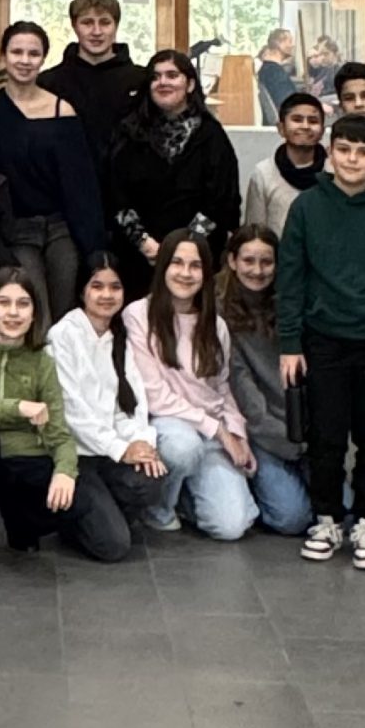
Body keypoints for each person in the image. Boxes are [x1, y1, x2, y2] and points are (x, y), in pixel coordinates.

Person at [276, 113, 365, 571]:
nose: (353, 159)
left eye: (363, 152)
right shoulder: (307, 208)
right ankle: (327, 519)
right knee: (326, 437)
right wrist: (290, 343)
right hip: (323, 343)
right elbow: (291, 280)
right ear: (330, 154)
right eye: (344, 150)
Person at [0, 267, 122, 573]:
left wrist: (65, 472)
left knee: (102, 528)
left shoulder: (42, 359)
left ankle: (23, 525)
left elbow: (59, 434)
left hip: (27, 462)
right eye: (4, 303)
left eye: (23, 304)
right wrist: (16, 408)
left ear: (34, 314)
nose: (13, 313)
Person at [126, 231, 260, 542]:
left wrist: (238, 434)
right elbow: (155, 396)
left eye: (195, 266)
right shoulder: (138, 315)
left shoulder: (216, 325)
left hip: (210, 429)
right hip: (167, 426)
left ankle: (186, 495)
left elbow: (221, 387)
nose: (185, 273)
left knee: (231, 527)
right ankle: (157, 508)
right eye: (177, 263)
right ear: (163, 266)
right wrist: (220, 432)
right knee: (184, 448)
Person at [0, 21, 105, 317]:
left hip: (60, 229)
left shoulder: (63, 111)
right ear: (3, 55)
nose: (25, 60)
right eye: (16, 52)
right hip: (15, 230)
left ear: (43, 58)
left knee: (65, 314)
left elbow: (80, 187)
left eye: (33, 53)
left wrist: (94, 247)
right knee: (33, 312)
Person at [48, 251, 171, 545]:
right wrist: (121, 449)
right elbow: (73, 413)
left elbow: (132, 402)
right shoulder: (63, 335)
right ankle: (75, 519)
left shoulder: (119, 336)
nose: (106, 295)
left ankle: (104, 509)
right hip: (76, 455)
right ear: (82, 291)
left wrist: (140, 443)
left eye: (115, 287)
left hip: (108, 452)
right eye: (97, 286)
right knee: (114, 545)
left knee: (152, 478)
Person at [107, 49, 240, 298]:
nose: (163, 82)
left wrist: (184, 249)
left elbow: (222, 200)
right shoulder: (128, 132)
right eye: (155, 77)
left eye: (172, 75)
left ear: (190, 84)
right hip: (138, 259)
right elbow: (116, 195)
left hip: (196, 260)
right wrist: (144, 243)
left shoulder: (212, 135)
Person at [217, 228, 313, 539]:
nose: (257, 271)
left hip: (303, 430)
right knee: (292, 518)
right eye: (248, 260)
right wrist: (285, 441)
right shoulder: (218, 312)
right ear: (232, 261)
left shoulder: (292, 303)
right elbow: (244, 391)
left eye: (266, 262)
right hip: (258, 431)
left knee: (342, 507)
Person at [40, 0, 146, 214]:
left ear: (116, 26)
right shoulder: (49, 83)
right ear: (74, 26)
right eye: (87, 22)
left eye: (105, 22)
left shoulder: (141, 81)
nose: (96, 31)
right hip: (64, 204)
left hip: (132, 204)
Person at [241, 90, 324, 235]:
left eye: (313, 121)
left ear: (322, 130)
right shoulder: (263, 174)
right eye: (297, 119)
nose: (305, 126)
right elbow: (255, 232)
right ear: (281, 128)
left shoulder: (334, 170)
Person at [255, 29, 301, 120]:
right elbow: (287, 102)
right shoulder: (274, 72)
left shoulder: (267, 69)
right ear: (278, 44)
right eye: (289, 41)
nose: (292, 45)